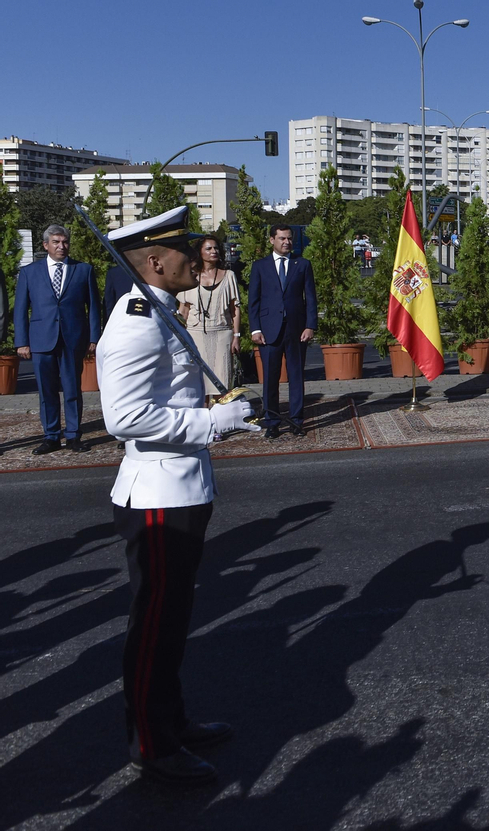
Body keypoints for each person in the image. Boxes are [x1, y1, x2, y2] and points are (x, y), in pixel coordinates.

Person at [98, 204, 260, 785]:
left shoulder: (161, 309)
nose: (199, 257)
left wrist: (210, 412)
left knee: (174, 619)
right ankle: (151, 745)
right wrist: (209, 424)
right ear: (156, 261)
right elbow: (124, 416)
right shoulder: (139, 319)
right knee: (155, 627)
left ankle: (170, 720)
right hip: (158, 494)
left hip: (182, 486)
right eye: (187, 250)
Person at [15, 224, 100, 454]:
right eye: (56, 242)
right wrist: (21, 341)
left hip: (73, 339)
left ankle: (73, 435)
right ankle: (51, 436)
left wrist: (93, 337)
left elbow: (93, 307)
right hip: (41, 340)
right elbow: (21, 309)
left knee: (73, 389)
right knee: (47, 390)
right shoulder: (29, 272)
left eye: (64, 242)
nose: (61, 246)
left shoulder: (83, 270)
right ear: (46, 245)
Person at [247, 224, 317, 439]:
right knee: (270, 378)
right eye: (281, 239)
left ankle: (296, 420)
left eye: (289, 239)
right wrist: (255, 329)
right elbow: (254, 301)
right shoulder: (260, 266)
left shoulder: (302, 264)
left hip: (296, 329)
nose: (286, 242)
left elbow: (311, 298)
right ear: (271, 240)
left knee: (296, 376)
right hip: (269, 331)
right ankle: (272, 421)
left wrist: (310, 325)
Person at [175, 236, 242, 412]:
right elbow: (183, 310)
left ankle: (221, 419)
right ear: (200, 252)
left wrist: (236, 336)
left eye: (215, 248)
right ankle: (203, 420)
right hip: (195, 334)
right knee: (200, 382)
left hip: (222, 333)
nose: (213, 252)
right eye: (208, 249)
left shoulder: (229, 276)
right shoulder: (190, 276)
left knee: (222, 380)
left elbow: (235, 309)